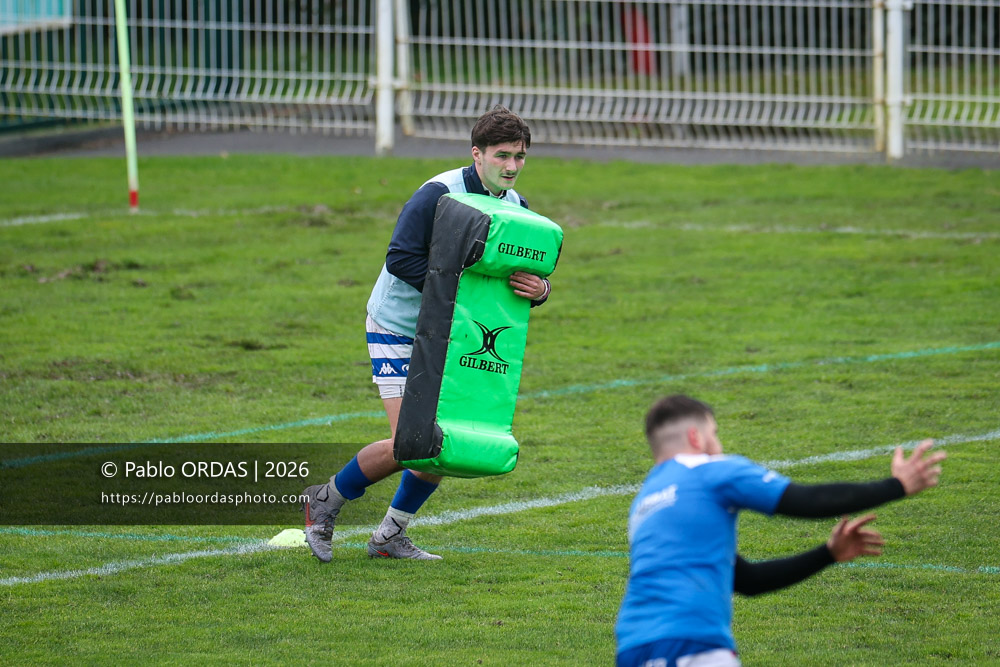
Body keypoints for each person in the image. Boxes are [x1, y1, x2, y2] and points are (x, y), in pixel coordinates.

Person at [301, 105, 551, 562]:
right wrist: (456, 295)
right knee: (410, 443)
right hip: (398, 325)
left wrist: (540, 288)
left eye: (519, 156)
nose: (512, 166)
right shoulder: (438, 194)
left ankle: (390, 535)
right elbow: (400, 258)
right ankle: (325, 499)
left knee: (444, 438)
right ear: (477, 154)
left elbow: (522, 278)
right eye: (502, 155)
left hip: (453, 335)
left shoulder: (518, 211)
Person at [616, 395, 946, 667]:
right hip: (693, 643)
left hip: (633, 647)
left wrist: (828, 554)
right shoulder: (711, 470)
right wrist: (897, 485)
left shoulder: (644, 504)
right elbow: (807, 500)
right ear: (695, 437)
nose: (718, 444)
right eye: (714, 434)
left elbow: (747, 581)